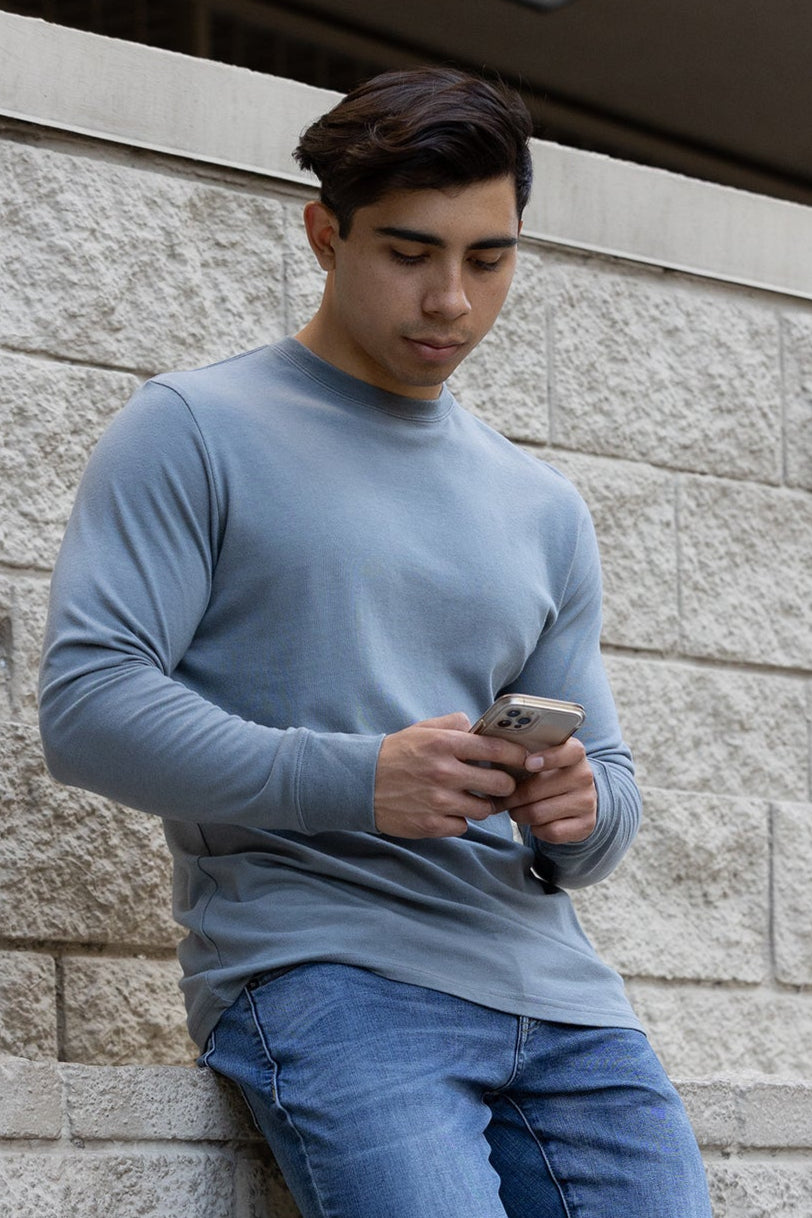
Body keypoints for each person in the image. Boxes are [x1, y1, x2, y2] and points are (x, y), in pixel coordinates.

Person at [39, 67, 711, 1218]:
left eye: (487, 260)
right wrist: (359, 779)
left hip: (565, 1003)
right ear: (324, 235)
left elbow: (605, 786)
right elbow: (87, 708)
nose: (449, 300)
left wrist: (578, 811)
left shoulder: (540, 506)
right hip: (328, 976)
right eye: (408, 253)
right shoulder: (193, 431)